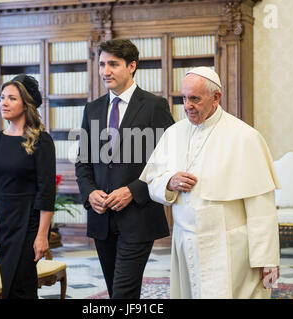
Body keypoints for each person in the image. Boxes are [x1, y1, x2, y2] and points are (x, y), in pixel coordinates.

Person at [140, 67, 281, 299]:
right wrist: (169, 182)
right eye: (183, 98)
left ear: (216, 98)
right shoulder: (174, 133)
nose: (187, 106)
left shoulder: (245, 137)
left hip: (229, 246)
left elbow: (261, 207)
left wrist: (266, 259)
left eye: (195, 98)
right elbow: (152, 180)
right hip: (185, 241)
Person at [75, 39, 175, 299]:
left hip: (139, 217)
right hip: (101, 218)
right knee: (115, 290)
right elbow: (83, 162)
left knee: (123, 293)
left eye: (113, 64)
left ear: (132, 66)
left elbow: (169, 161)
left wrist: (132, 191)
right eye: (102, 64)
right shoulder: (92, 109)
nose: (105, 71)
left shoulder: (155, 106)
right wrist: (89, 193)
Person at [0, 74, 56, 299]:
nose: (4, 102)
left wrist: (42, 235)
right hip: (5, 225)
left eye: (11, 98)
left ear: (26, 103)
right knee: (10, 285)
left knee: (19, 287)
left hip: (29, 223)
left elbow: (47, 192)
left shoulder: (42, 140)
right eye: (2, 97)